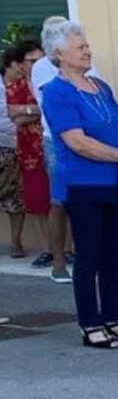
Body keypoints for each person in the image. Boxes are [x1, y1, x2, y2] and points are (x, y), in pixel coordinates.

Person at [40, 21, 118, 349]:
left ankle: (113, 318)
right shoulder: (56, 92)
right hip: (83, 185)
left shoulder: (100, 86)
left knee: (114, 254)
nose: (88, 51)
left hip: (113, 182)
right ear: (59, 53)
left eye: (86, 45)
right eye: (80, 46)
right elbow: (78, 142)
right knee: (90, 256)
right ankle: (90, 323)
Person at [29, 17, 80, 283]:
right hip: (56, 140)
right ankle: (58, 262)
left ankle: (91, 257)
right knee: (59, 202)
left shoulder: (86, 65)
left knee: (88, 201)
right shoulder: (41, 68)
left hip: (86, 138)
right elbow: (59, 98)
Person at [5, 43, 52, 263]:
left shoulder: (51, 81)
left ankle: (67, 249)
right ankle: (48, 250)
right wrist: (39, 110)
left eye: (40, 60)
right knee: (38, 202)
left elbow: (53, 109)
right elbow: (15, 117)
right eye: (32, 61)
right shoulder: (16, 86)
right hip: (30, 151)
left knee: (60, 201)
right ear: (21, 64)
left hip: (53, 147)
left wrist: (28, 110)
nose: (37, 65)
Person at [1, 51, 24, 257]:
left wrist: (20, 113)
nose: (23, 68)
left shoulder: (24, 86)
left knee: (15, 198)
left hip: (17, 146)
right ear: (9, 64)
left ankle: (16, 244)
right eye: (20, 63)